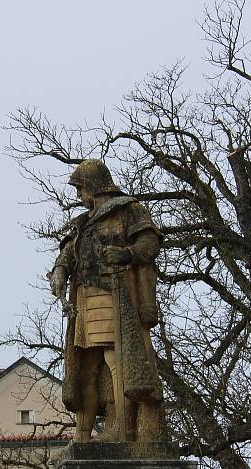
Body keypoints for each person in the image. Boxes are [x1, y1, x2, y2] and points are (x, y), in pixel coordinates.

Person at [49, 159, 165, 443]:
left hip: (115, 294)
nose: (78, 196)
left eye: (80, 189)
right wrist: (60, 271)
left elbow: (150, 244)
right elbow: (67, 255)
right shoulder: (83, 223)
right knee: (85, 368)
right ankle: (82, 436)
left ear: (92, 186)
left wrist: (127, 254)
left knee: (118, 360)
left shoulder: (129, 210)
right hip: (84, 300)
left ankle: (123, 430)